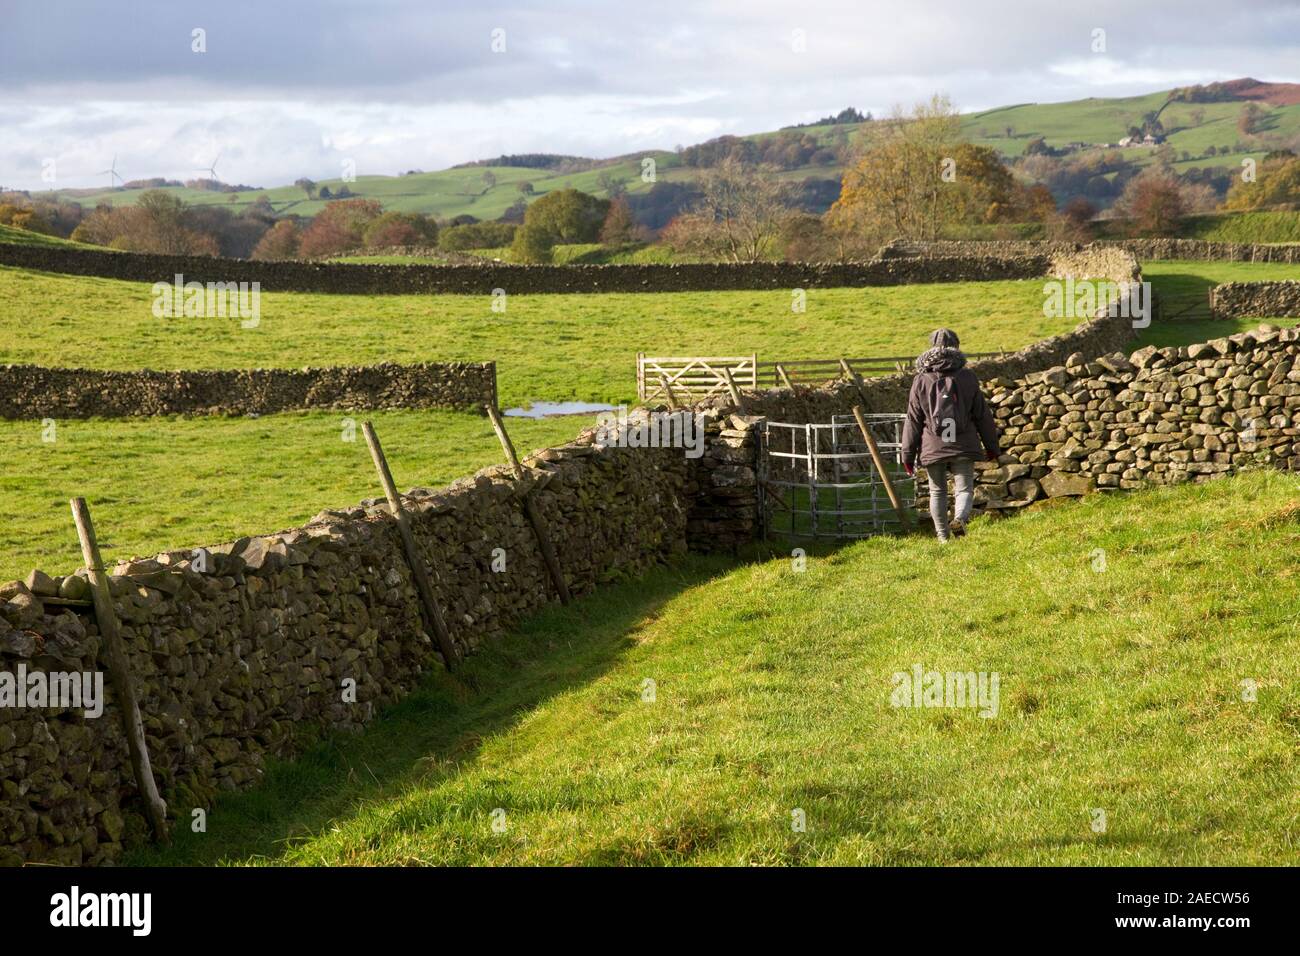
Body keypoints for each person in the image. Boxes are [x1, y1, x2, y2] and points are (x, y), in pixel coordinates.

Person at [900, 328, 1001, 542]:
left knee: (937, 491)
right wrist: (992, 446)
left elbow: (913, 420)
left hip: (933, 444)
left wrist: (907, 456)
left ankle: (943, 538)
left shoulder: (921, 380)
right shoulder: (967, 376)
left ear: (931, 347)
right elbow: (982, 415)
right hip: (962, 443)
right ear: (956, 346)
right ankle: (960, 520)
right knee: (964, 487)